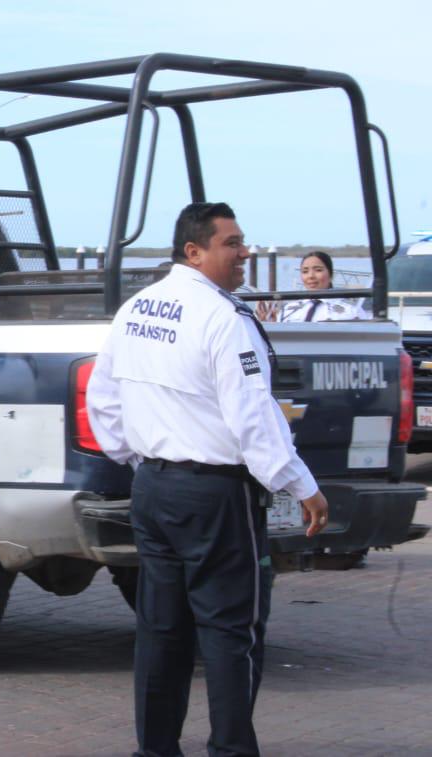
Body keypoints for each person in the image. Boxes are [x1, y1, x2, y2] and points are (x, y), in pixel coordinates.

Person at [86, 202, 329, 757]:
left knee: (161, 631)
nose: (244, 253)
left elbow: (104, 399)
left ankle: (155, 749)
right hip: (215, 494)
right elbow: (254, 417)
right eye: (232, 243)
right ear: (193, 251)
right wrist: (300, 483)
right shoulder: (223, 317)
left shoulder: (136, 309)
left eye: (243, 242)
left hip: (153, 489)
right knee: (230, 633)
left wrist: (139, 457)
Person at [258, 250, 371, 322]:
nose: (311, 276)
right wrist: (270, 327)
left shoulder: (351, 311)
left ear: (331, 274)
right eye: (305, 271)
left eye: (318, 270)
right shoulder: (288, 311)